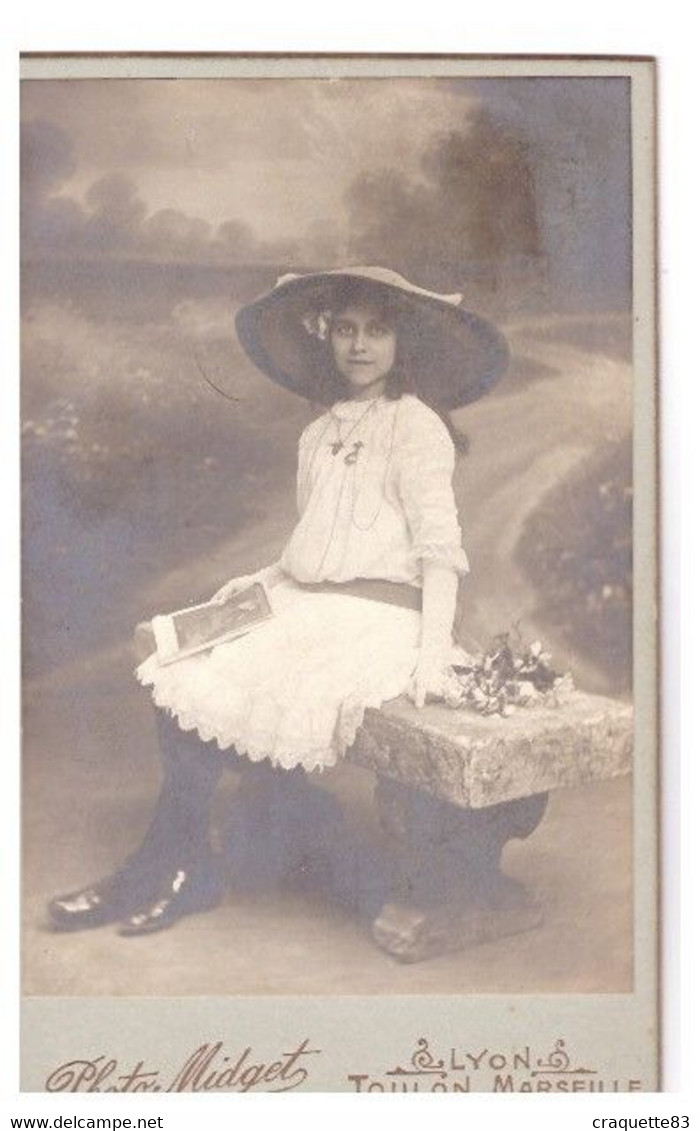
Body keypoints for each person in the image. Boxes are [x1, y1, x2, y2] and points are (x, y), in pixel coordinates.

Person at [48, 265, 508, 937]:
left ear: (401, 341)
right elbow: (315, 544)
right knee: (181, 669)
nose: (359, 346)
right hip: (309, 605)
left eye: (377, 331)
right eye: (345, 329)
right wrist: (261, 581)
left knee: (219, 687)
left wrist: (433, 656)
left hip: (381, 621)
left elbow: (439, 552)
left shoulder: (414, 426)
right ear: (326, 338)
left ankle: (171, 868)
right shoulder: (318, 432)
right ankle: (174, 867)